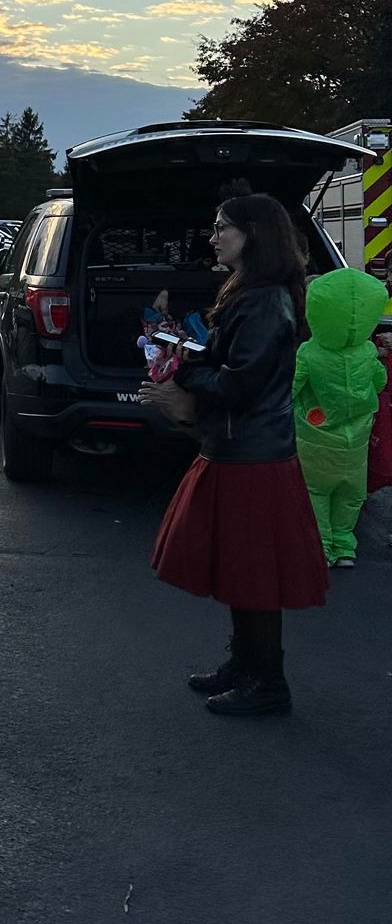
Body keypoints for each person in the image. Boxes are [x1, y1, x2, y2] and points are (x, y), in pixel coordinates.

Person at [140, 192, 328, 717]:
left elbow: (239, 385)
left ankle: (268, 683)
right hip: (239, 449)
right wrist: (184, 348)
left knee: (255, 573)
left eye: (223, 227)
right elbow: (230, 363)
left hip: (254, 457)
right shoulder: (249, 292)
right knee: (241, 568)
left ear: (254, 235)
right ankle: (245, 665)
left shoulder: (265, 300)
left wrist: (183, 372)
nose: (214, 236)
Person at [292, 267, 389, 567]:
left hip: (316, 439)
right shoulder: (367, 352)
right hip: (356, 441)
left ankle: (322, 548)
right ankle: (345, 545)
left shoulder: (309, 352)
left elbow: (291, 387)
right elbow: (379, 382)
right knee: (350, 496)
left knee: (316, 494)